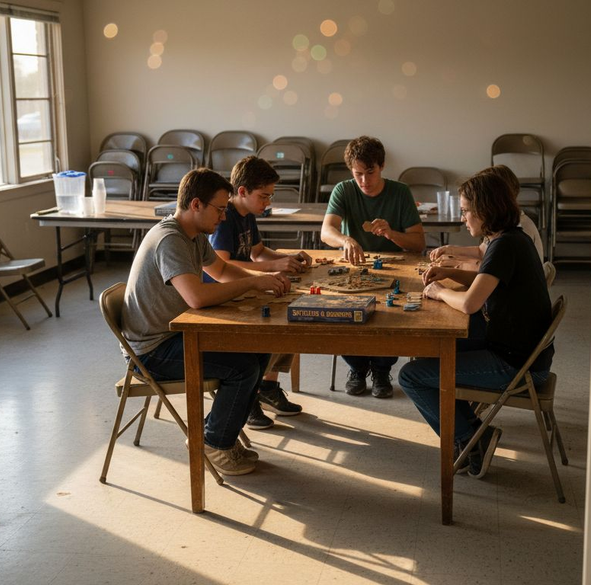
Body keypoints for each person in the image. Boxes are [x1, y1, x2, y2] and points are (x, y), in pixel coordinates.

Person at [121, 168, 292, 476]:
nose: (224, 217)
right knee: (242, 369)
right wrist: (253, 283)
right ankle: (214, 442)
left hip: (173, 335)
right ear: (196, 204)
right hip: (151, 352)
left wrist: (262, 281)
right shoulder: (170, 239)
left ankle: (213, 430)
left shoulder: (193, 236)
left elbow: (222, 271)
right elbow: (197, 297)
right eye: (220, 209)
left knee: (260, 348)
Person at [398, 170, 554, 478]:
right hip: (520, 350)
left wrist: (439, 291)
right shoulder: (510, 238)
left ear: (485, 210)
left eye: (466, 210)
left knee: (411, 376)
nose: (463, 218)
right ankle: (471, 433)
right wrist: (449, 273)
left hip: (517, 365)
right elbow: (486, 280)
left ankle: (470, 438)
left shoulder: (505, 245)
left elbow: (470, 303)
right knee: (429, 351)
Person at [208, 155, 311, 429]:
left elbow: (258, 252)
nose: (268, 202)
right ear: (242, 191)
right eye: (264, 196)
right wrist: (274, 267)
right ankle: (249, 395)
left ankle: (267, 387)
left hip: (244, 289)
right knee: (273, 323)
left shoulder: (248, 215)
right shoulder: (225, 217)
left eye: (270, 196)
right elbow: (223, 265)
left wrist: (287, 258)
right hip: (224, 296)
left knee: (290, 312)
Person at [320, 136, 426, 398]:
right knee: (343, 311)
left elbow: (418, 244)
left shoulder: (400, 192)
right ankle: (357, 368)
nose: (364, 181)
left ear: (382, 166)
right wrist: (345, 240)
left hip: (395, 269)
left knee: (392, 313)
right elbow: (326, 231)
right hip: (356, 267)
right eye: (358, 174)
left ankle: (381, 369)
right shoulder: (344, 190)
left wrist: (391, 234)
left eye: (370, 172)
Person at [429, 165, 545, 270]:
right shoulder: (499, 226)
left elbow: (491, 268)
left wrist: (458, 263)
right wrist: (450, 250)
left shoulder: (519, 228)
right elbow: (482, 252)